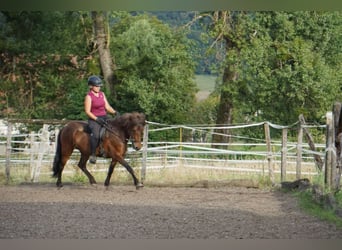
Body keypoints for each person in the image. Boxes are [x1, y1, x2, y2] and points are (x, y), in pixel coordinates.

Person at [84, 75, 116, 164]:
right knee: (96, 135)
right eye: (97, 86)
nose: (98, 88)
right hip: (94, 119)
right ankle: (93, 154)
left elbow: (107, 106)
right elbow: (87, 111)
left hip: (104, 117)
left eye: (99, 86)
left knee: (113, 130)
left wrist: (115, 112)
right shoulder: (89, 97)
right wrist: (96, 119)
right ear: (91, 86)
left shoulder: (102, 94)